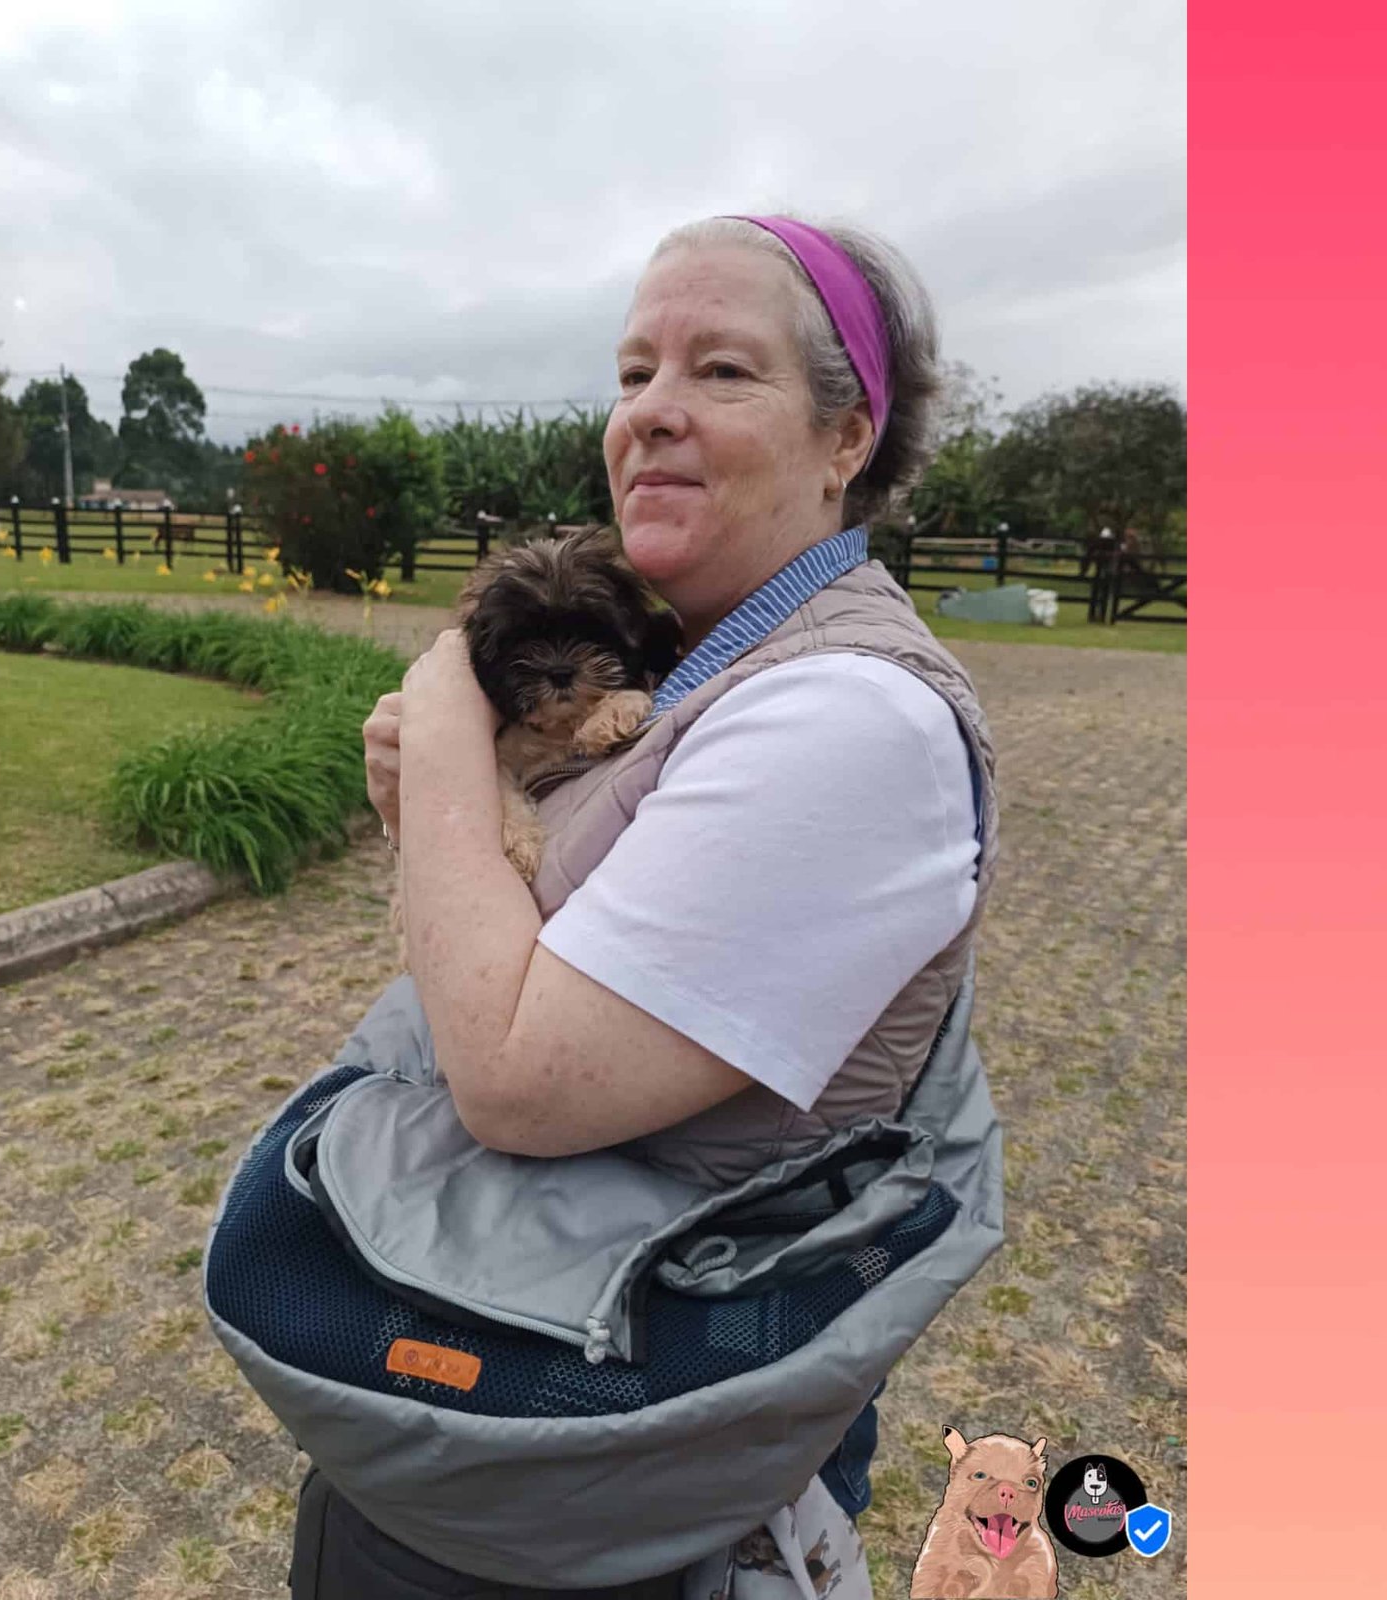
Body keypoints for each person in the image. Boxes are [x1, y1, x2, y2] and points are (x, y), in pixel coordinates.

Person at [293, 213, 997, 1599]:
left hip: (622, 1459)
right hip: (498, 1392)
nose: (652, 413)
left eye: (721, 370)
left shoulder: (850, 718)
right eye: (632, 373)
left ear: (847, 436)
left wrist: (445, 721)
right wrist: (437, 810)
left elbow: (515, 1077)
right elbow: (498, 919)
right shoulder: (703, 670)